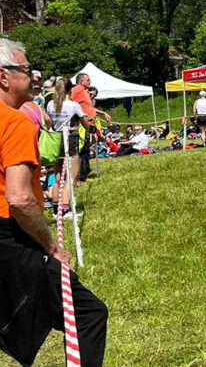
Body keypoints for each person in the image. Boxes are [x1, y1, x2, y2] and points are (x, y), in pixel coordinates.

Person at [0, 39, 107, 367]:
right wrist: (51, 246)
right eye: (26, 70)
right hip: (10, 239)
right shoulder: (15, 122)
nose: (34, 77)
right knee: (89, 314)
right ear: (4, 77)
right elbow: (18, 198)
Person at [47, 79, 91, 218]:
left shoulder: (50, 104)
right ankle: (66, 210)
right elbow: (85, 125)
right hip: (70, 140)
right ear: (70, 89)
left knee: (58, 177)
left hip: (55, 140)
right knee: (71, 177)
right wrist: (89, 124)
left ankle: (56, 210)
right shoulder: (73, 105)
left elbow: (49, 122)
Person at [71, 75, 109, 183]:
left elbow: (89, 108)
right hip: (82, 125)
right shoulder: (77, 90)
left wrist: (102, 113)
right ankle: (80, 177)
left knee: (86, 150)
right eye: (88, 80)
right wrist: (79, 116)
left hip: (89, 124)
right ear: (81, 81)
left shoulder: (84, 92)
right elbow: (69, 103)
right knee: (82, 151)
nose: (90, 81)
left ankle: (83, 175)